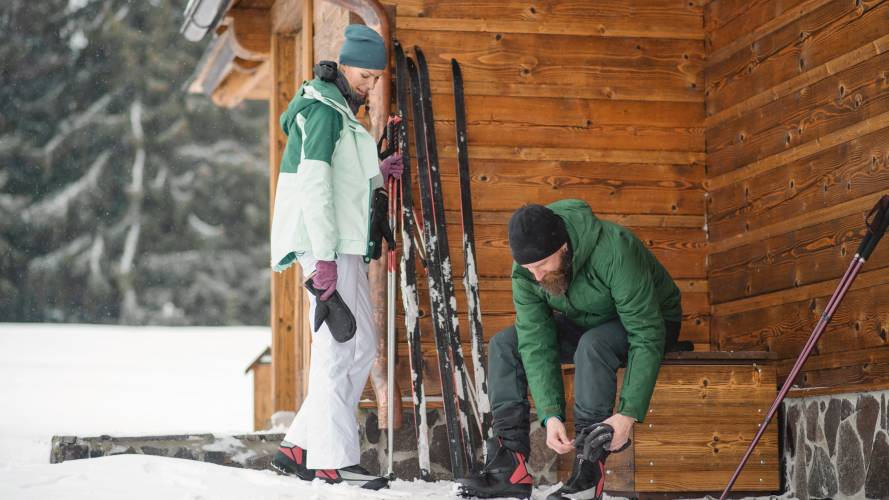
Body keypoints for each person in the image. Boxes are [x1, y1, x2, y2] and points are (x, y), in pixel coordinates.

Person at [458, 199, 685, 500]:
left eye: (541, 266)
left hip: (651, 321)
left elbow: (646, 331)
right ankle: (510, 466)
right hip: (586, 321)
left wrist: (627, 414)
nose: (536, 276)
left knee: (594, 345)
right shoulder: (528, 272)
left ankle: (589, 468)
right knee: (505, 344)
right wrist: (550, 415)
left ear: (563, 247)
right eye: (529, 268)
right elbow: (535, 341)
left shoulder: (614, 249)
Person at [266, 24, 403, 490]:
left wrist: (377, 170)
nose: (370, 85)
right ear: (344, 65)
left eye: (375, 78)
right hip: (325, 245)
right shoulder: (323, 111)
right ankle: (332, 458)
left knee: (357, 344)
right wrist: (323, 257)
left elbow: (342, 178)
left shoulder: (340, 110)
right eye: (365, 75)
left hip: (341, 244)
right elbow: (316, 187)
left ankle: (300, 446)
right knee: (339, 346)